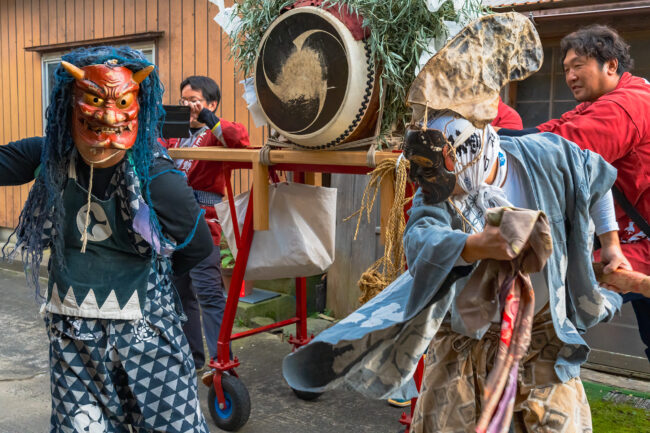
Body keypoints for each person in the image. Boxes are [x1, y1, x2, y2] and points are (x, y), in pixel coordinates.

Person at [0, 47, 213, 432]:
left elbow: (196, 246)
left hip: (145, 335)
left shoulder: (157, 178)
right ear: (71, 107)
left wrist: (153, 279)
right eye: (94, 105)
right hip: (75, 335)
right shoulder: (51, 155)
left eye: (121, 106)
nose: (108, 120)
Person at [499, 25, 650, 362]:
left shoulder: (625, 106)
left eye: (578, 65)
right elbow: (551, 131)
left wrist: (490, 145)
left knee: (559, 310)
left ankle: (542, 392)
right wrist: (492, 136)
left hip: (641, 244)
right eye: (566, 68)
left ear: (610, 65)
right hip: (630, 240)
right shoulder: (604, 101)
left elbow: (565, 149)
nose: (570, 76)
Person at [162, 76, 250, 375]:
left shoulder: (215, 133)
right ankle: (192, 358)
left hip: (203, 219)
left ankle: (221, 362)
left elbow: (240, 140)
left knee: (209, 292)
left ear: (211, 103)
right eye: (183, 99)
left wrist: (209, 118)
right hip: (171, 221)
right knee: (180, 292)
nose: (187, 105)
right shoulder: (173, 134)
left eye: (194, 99)